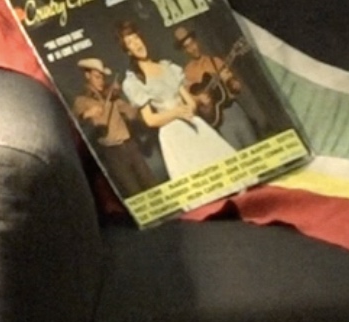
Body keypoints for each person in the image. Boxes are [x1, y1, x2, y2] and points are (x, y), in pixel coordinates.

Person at [117, 18, 237, 182]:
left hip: (193, 125)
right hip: (173, 136)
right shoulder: (134, 81)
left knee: (227, 172)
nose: (136, 44)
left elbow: (191, 103)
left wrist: (188, 108)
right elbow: (151, 120)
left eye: (136, 38)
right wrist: (175, 113)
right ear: (128, 51)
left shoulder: (167, 66)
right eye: (130, 42)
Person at [69, 57, 161, 198]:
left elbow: (132, 113)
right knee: (132, 191)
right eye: (97, 77)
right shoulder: (81, 101)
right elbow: (74, 125)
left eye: (103, 78)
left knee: (152, 184)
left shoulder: (112, 97)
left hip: (130, 146)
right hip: (112, 152)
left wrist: (130, 96)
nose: (101, 81)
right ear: (87, 76)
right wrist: (86, 114)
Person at [172, 23, 259, 149]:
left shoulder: (215, 61)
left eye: (192, 43)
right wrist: (199, 99)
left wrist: (230, 81)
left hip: (233, 110)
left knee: (254, 147)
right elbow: (188, 100)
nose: (192, 48)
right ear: (184, 51)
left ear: (197, 42)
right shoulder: (187, 73)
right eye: (187, 47)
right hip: (217, 119)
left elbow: (237, 88)